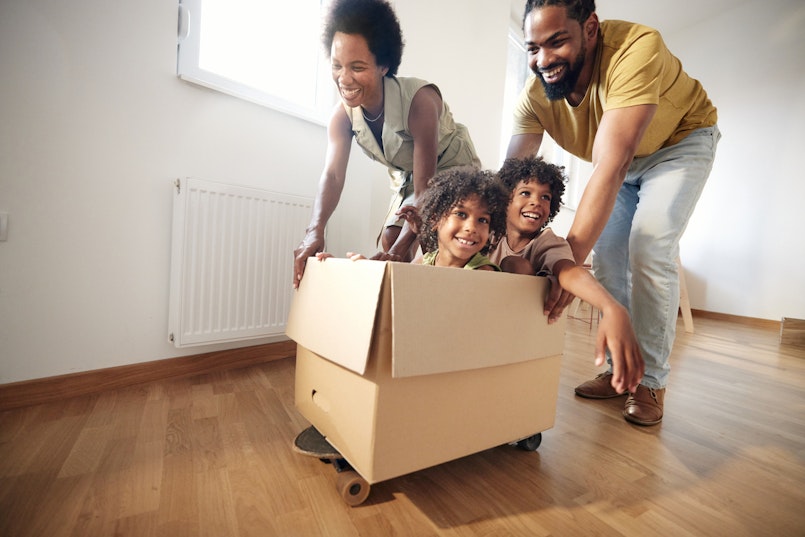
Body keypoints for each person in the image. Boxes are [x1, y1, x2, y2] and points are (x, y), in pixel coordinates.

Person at [506, 0, 720, 425]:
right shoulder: (533, 98)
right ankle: (619, 374)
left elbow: (611, 162)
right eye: (532, 48)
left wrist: (565, 264)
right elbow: (507, 181)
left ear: (590, 29)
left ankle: (651, 381)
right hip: (623, 159)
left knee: (649, 243)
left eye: (557, 42)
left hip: (679, 143)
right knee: (609, 256)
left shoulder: (637, 48)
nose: (543, 60)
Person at [293, 0, 481, 288]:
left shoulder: (421, 101)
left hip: (453, 168)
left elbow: (425, 189)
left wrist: (400, 250)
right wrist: (314, 231)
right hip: (408, 176)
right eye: (337, 65)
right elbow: (332, 175)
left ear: (383, 65)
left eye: (357, 67)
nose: (344, 78)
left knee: (431, 242)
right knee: (390, 239)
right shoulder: (342, 117)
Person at [489, 156, 643, 394]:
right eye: (526, 193)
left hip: (519, 341)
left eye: (545, 197)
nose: (536, 202)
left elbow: (568, 271)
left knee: (516, 265)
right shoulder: (487, 234)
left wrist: (611, 307)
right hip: (480, 329)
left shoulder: (547, 243)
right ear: (505, 198)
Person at [316, 167, 508, 271]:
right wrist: (356, 271)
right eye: (461, 214)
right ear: (434, 220)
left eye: (483, 220)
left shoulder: (482, 271)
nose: (471, 227)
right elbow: (400, 289)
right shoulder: (426, 261)